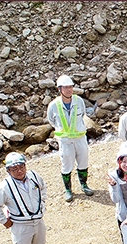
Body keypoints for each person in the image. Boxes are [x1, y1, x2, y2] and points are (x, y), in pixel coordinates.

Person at [47, 74, 93, 202]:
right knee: (67, 165)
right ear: (59, 89)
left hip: (80, 138)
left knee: (83, 161)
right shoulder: (53, 105)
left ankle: (84, 185)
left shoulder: (79, 101)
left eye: (71, 87)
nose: (69, 90)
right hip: (65, 140)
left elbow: (83, 114)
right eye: (65, 88)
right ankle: (68, 190)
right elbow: (51, 120)